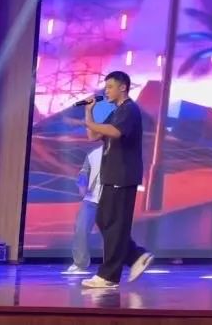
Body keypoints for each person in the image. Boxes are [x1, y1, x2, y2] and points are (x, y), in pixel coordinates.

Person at [81, 71, 153, 289]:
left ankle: (109, 276)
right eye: (106, 87)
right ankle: (135, 255)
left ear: (123, 87)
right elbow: (93, 136)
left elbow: (115, 132)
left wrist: (91, 122)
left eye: (110, 87)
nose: (106, 91)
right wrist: (89, 111)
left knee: (115, 225)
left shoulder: (129, 110)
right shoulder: (117, 111)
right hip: (111, 175)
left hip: (123, 175)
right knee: (104, 221)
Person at [63, 146, 103, 275]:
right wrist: (82, 185)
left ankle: (115, 263)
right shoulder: (94, 154)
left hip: (111, 199)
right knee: (81, 229)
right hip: (91, 199)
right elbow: (84, 173)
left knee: (113, 234)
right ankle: (80, 263)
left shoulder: (121, 152)